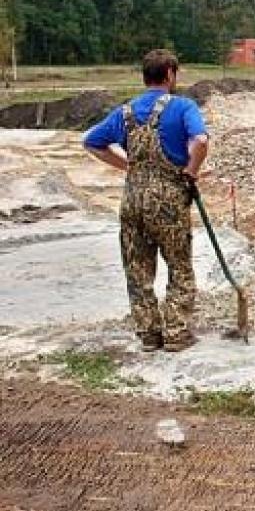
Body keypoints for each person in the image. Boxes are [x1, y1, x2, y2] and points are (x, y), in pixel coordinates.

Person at [83, 49, 209, 352]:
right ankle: (176, 333)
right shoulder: (183, 107)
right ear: (169, 74)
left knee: (137, 270)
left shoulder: (125, 112)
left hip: (132, 200)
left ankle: (149, 335)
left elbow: (91, 142)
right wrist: (191, 171)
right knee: (179, 267)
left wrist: (127, 166)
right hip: (168, 201)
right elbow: (201, 141)